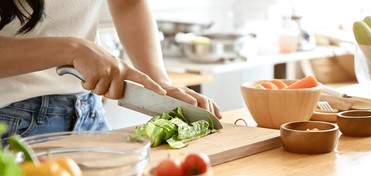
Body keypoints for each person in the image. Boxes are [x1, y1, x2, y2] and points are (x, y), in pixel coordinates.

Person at [0, 0, 222, 145]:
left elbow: (128, 4)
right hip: (11, 127)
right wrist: (73, 50)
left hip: (89, 112)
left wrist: (160, 84)